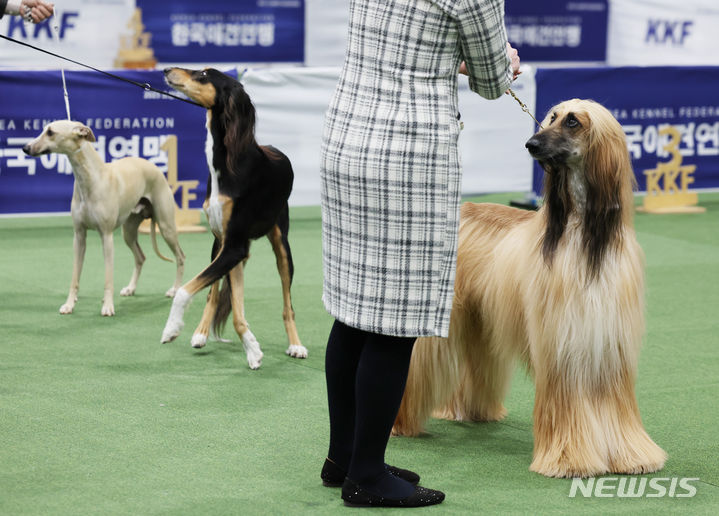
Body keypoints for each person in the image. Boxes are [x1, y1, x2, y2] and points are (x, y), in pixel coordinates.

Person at [319, 0, 520, 508]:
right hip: (405, 156)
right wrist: (503, 60)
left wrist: (448, 55)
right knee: (395, 320)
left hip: (346, 138)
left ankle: (344, 458)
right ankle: (365, 475)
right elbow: (494, 80)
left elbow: (403, 38)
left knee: (354, 313)